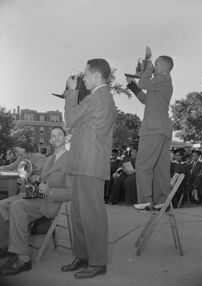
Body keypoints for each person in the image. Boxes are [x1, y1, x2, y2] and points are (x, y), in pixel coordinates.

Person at [61, 59, 116, 279]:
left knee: (92, 215)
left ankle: (97, 262)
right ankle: (83, 256)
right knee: (79, 215)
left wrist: (71, 92)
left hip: (90, 164)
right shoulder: (97, 98)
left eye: (85, 74)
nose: (83, 78)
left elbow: (70, 119)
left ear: (96, 76)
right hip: (82, 162)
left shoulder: (100, 97)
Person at [0, 127, 71, 276]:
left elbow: (71, 192)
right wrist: (29, 180)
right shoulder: (50, 158)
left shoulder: (71, 160)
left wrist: (50, 191)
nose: (56, 138)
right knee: (2, 205)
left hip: (51, 202)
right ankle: (8, 247)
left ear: (66, 138)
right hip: (37, 195)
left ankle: (23, 258)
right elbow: (40, 180)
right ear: (50, 140)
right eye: (53, 135)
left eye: (60, 135)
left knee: (17, 206)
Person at [126, 55, 174, 210]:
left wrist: (146, 69)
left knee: (143, 165)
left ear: (164, 66)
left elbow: (143, 82)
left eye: (156, 64)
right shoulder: (161, 82)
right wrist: (132, 86)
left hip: (153, 128)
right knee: (160, 168)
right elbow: (145, 100)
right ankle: (161, 201)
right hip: (163, 129)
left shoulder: (163, 78)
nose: (154, 66)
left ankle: (145, 200)